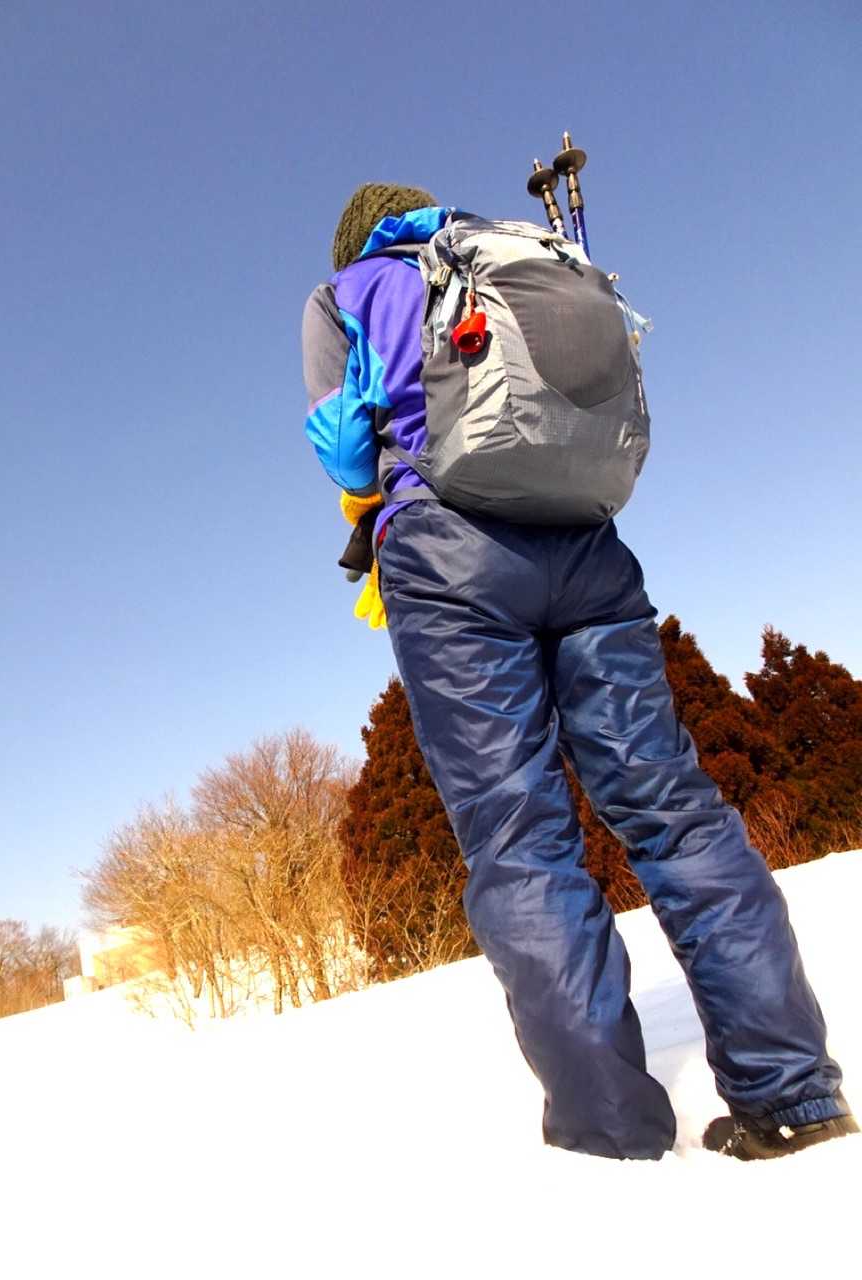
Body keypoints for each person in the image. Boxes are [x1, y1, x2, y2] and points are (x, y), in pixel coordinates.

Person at [301, 182, 857, 1161]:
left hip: (450, 560)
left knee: (520, 838)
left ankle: (612, 1134)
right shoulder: (519, 255)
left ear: (356, 241)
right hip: (587, 544)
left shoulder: (345, 292)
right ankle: (793, 1092)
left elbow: (346, 454)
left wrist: (372, 480)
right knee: (676, 811)